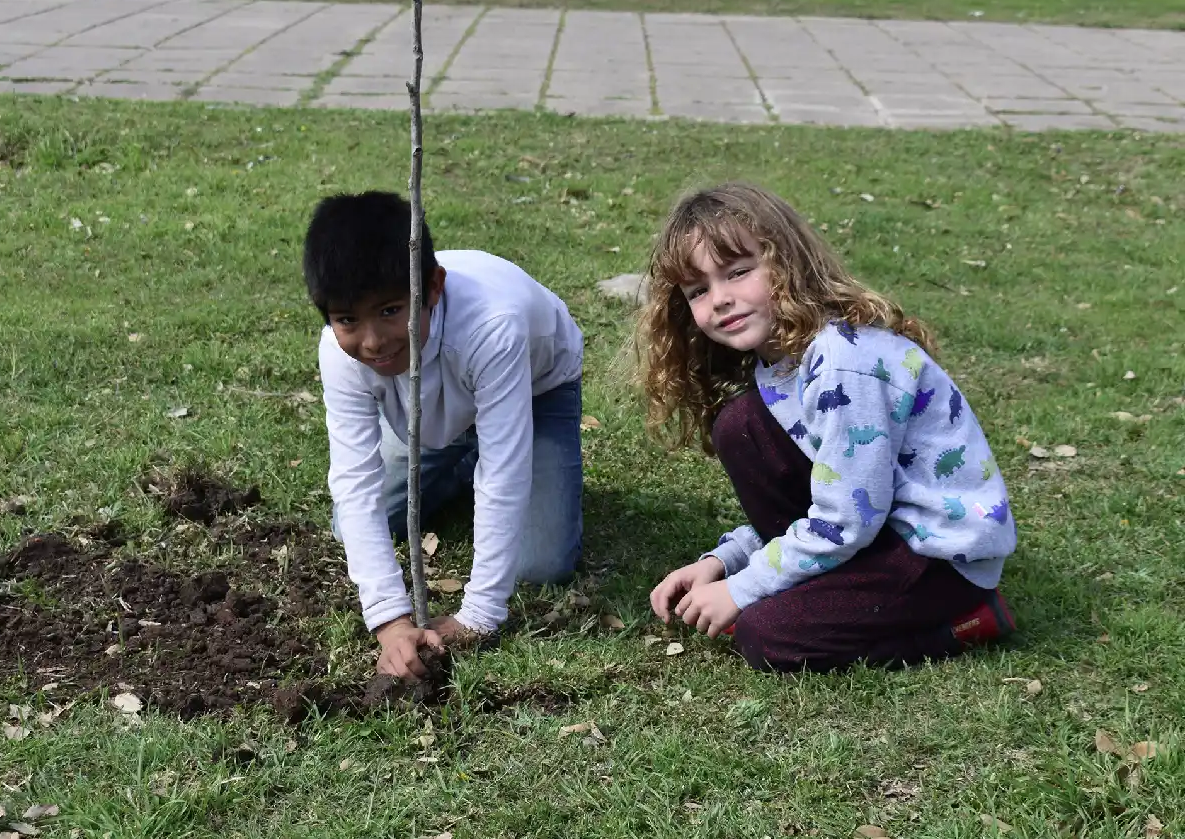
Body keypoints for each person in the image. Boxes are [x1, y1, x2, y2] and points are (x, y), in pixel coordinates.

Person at [638, 183, 1017, 673]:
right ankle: (825, 585)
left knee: (766, 636)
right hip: (875, 531)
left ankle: (968, 621)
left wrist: (742, 587)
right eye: (698, 290)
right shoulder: (777, 366)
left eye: (738, 272)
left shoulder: (843, 363)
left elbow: (846, 518)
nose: (721, 300)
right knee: (741, 426)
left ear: (786, 263)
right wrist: (725, 560)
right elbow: (829, 492)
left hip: (938, 558)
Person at [303, 191, 585, 679]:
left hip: (536, 389)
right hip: (432, 409)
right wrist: (390, 620)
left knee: (540, 563)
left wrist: (478, 616)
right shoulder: (341, 350)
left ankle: (467, 453)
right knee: (351, 526)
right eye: (348, 319)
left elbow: (504, 470)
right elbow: (354, 481)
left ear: (433, 287)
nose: (371, 341)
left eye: (391, 311)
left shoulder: (494, 327)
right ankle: (457, 459)